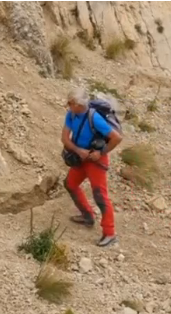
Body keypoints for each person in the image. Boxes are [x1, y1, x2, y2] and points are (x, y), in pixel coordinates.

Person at [61, 88, 123, 247]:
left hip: (96, 161)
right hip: (81, 159)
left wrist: (101, 152)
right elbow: (64, 138)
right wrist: (77, 150)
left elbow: (116, 138)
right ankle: (87, 215)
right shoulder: (71, 114)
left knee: (100, 195)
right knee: (70, 184)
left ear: (78, 104)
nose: (68, 106)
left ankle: (110, 233)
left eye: (70, 103)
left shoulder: (94, 118)